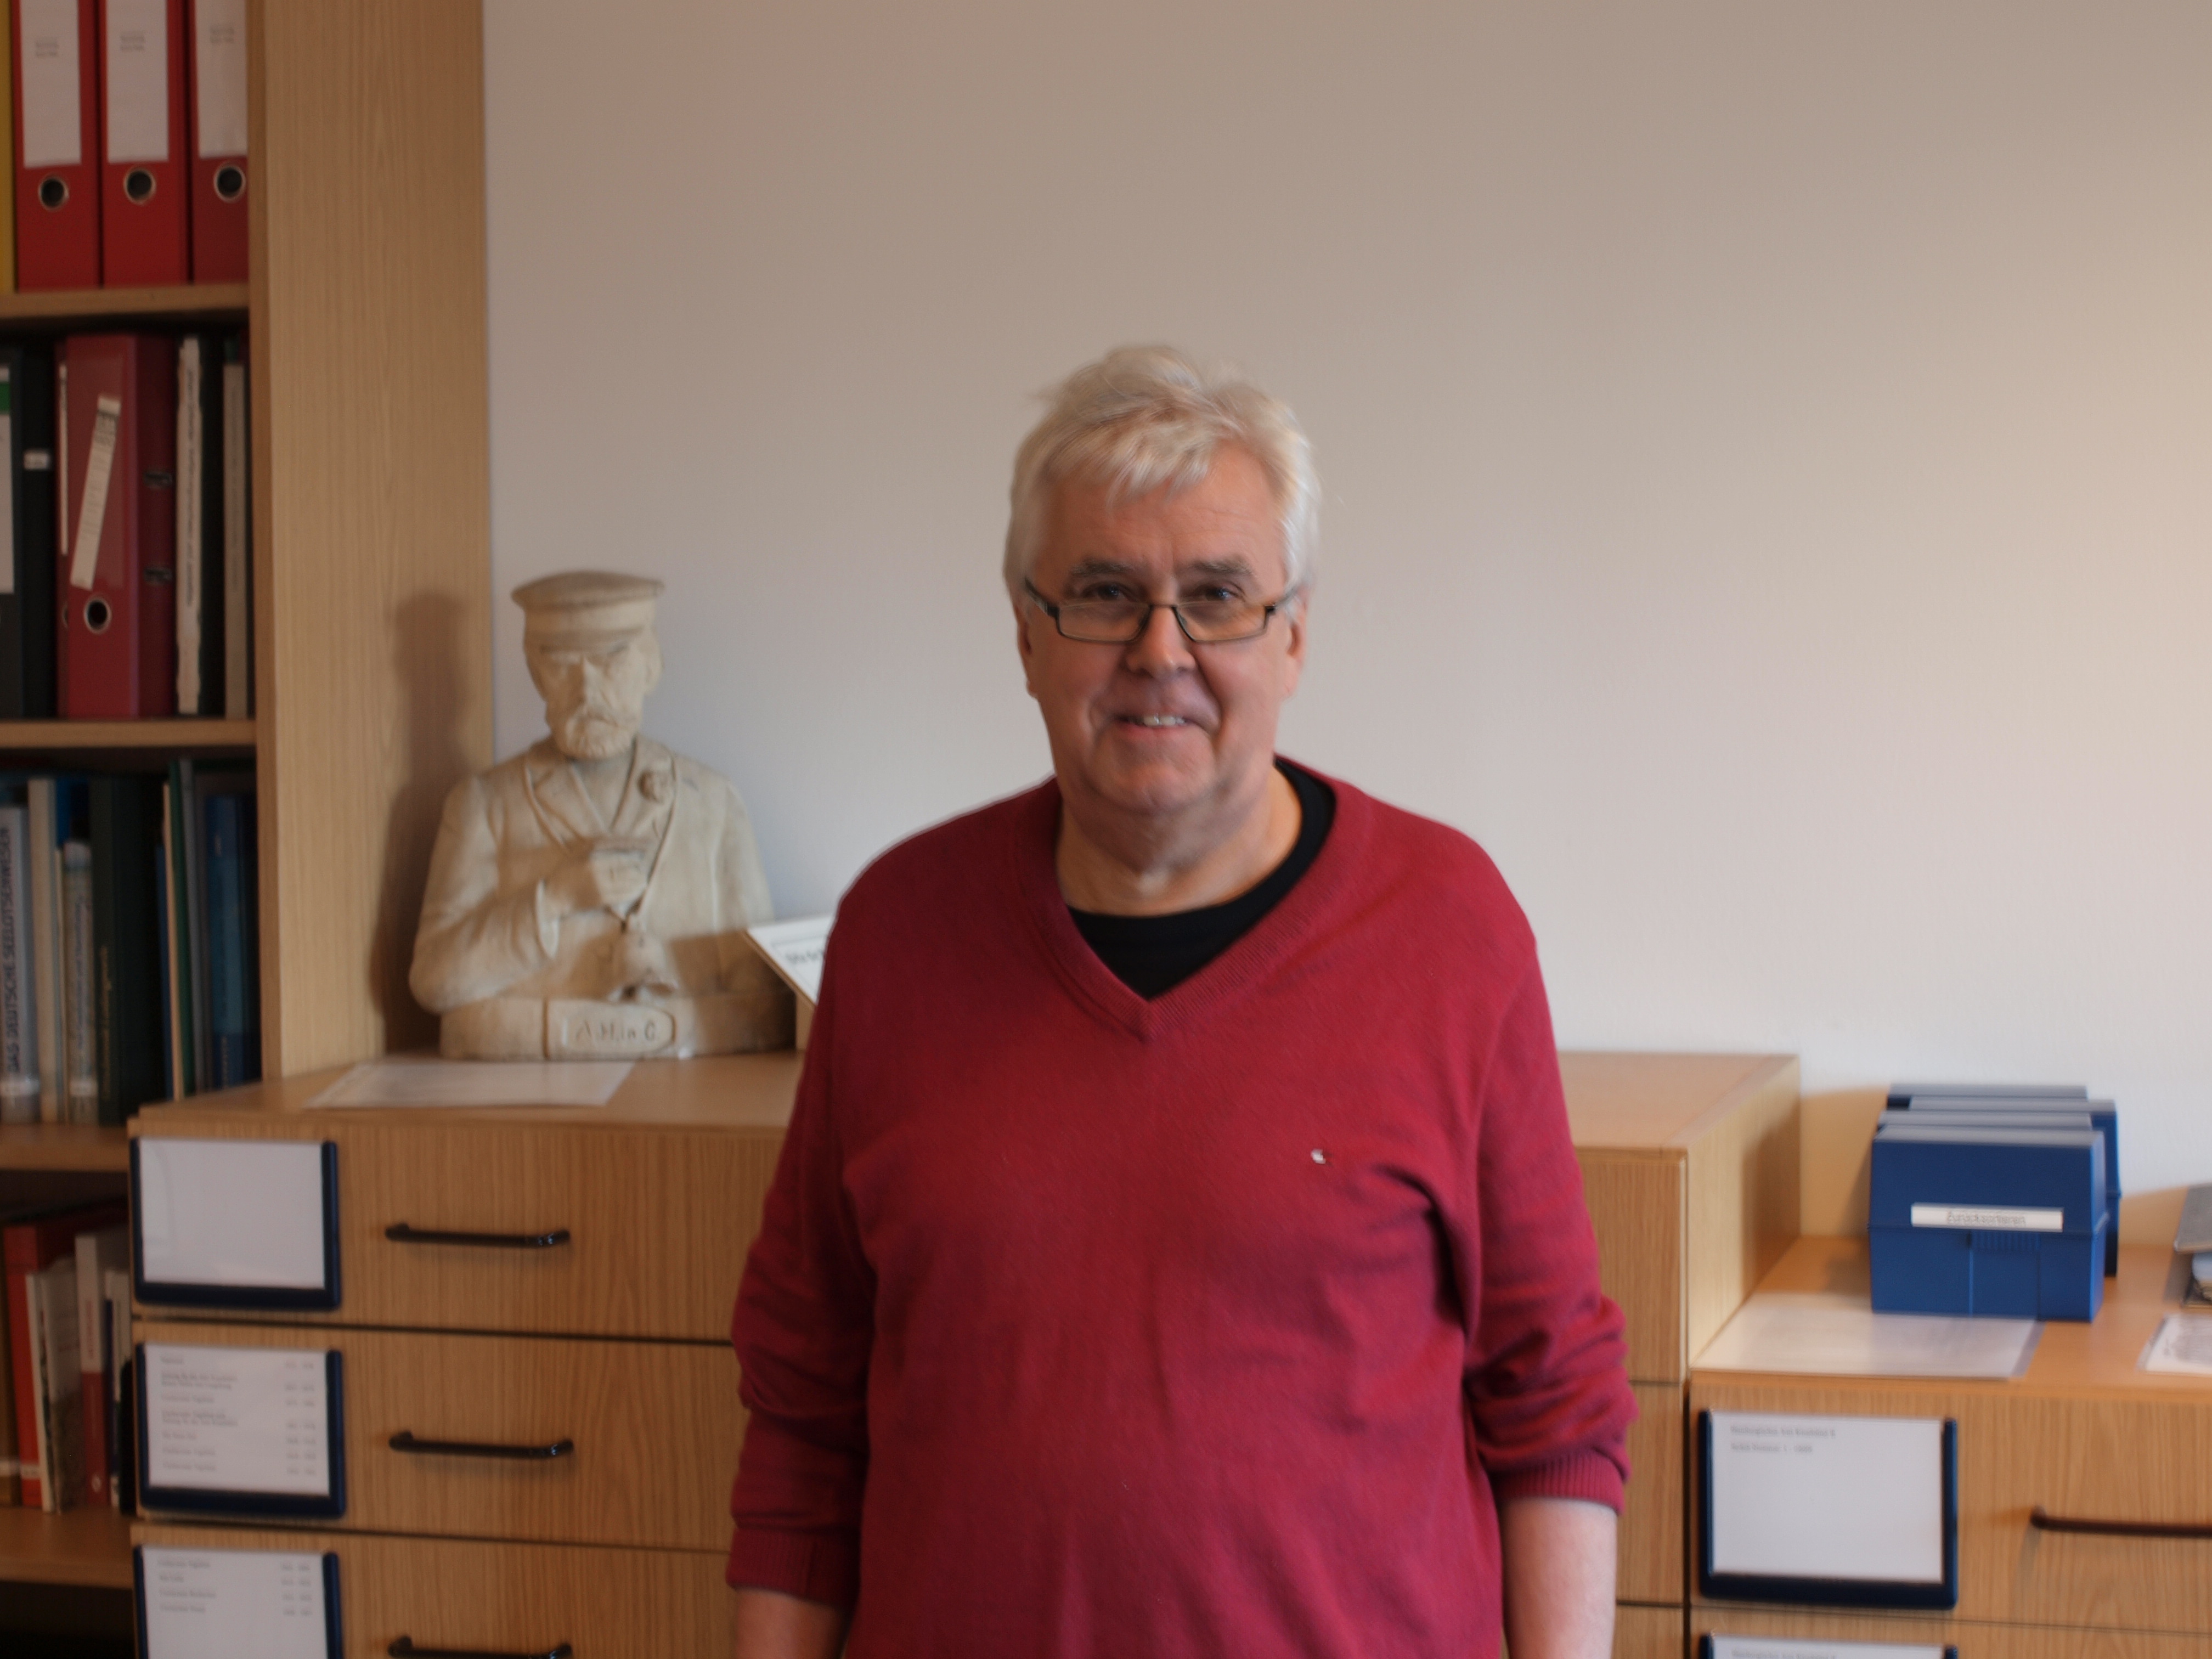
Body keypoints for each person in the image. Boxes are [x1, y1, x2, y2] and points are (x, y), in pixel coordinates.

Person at [726, 347, 1634, 1658]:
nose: (1162, 651)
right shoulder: (896, 940)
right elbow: (806, 1416)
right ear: (1026, 632)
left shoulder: (1449, 932)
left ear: (1295, 633)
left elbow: (1554, 1402)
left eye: (1217, 597)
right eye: (1105, 594)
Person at [409, 570, 789, 1059]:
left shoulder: (713, 803)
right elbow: (435, 981)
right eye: (561, 665)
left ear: (652, 666)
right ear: (535, 673)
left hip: (693, 1084)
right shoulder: (483, 804)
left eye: (612, 660)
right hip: (529, 1086)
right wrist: (552, 900)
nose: (586, 691)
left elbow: (763, 1004)